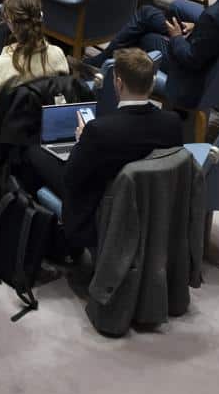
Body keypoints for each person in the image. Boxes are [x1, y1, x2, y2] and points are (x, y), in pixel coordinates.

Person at [50, 48, 183, 254]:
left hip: (102, 212)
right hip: (152, 209)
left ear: (118, 83)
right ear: (152, 82)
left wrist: (80, 141)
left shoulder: (99, 131)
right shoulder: (173, 123)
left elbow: (71, 179)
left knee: (35, 155)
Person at [0, 0, 70, 119]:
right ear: (40, 17)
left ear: (10, 24)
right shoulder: (57, 54)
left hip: (1, 129)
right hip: (41, 121)